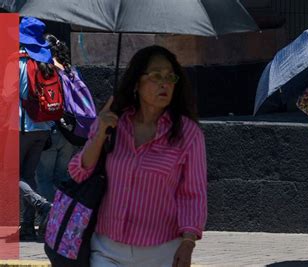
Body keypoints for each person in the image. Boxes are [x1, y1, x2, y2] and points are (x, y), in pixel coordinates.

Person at [68, 45, 207, 267]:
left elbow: (193, 193)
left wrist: (188, 242)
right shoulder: (113, 123)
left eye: (171, 77)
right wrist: (99, 134)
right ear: (137, 83)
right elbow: (78, 172)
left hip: (161, 252)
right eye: (156, 76)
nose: (165, 83)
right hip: (107, 249)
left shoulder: (188, 134)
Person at [35, 34, 95, 202]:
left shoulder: (46, 69)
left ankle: (49, 220)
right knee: (62, 177)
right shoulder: (73, 70)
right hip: (72, 130)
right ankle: (61, 221)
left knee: (44, 178)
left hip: (51, 129)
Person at [18, 17, 54, 242]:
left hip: (21, 126)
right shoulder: (48, 62)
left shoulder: (18, 62)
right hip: (43, 126)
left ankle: (42, 205)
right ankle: (28, 227)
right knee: (28, 175)